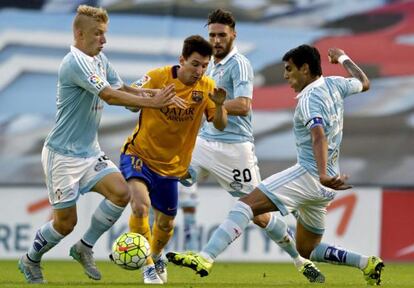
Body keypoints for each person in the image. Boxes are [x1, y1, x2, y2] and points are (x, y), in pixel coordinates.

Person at [168, 44, 385, 286]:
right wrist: (343, 58)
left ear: (305, 68)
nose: (285, 76)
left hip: (310, 175)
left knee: (245, 206)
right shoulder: (336, 85)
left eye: (289, 69)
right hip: (326, 187)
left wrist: (322, 173)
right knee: (307, 249)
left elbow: (318, 135)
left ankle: (205, 257)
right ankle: (366, 263)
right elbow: (363, 81)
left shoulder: (309, 99)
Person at [18, 5, 180, 284]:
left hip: (89, 152)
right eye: (98, 34)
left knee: (121, 193)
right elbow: (110, 96)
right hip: (62, 155)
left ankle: (84, 247)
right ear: (80, 34)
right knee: (65, 224)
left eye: (105, 34)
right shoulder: (75, 62)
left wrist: (159, 94)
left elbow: (125, 90)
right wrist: (152, 102)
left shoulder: (99, 59)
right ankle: (30, 260)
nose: (103, 40)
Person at [177, 9, 323, 283]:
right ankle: (156, 258)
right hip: (206, 142)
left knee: (260, 215)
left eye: (222, 35)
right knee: (171, 172)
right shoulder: (208, 65)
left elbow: (244, 106)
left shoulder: (239, 64)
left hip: (235, 150)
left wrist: (208, 106)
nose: (216, 40)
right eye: (212, 35)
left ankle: (299, 258)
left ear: (233, 35)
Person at [120, 35, 228, 284]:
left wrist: (220, 106)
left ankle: (156, 256)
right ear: (182, 60)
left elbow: (221, 125)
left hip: (171, 168)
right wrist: (154, 97)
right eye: (195, 64)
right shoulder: (157, 77)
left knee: (166, 224)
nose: (199, 71)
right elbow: (129, 102)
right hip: (139, 155)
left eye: (204, 65)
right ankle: (147, 266)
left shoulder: (208, 87)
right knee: (140, 206)